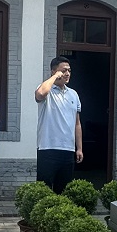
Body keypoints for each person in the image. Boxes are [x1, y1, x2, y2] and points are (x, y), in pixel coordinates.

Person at [34, 55, 82, 194]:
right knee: (44, 190)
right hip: (48, 147)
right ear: (54, 71)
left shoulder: (73, 94)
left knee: (64, 190)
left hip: (68, 149)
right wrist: (55, 77)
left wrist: (79, 148)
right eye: (63, 70)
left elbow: (77, 124)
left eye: (69, 70)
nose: (67, 74)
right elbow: (40, 94)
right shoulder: (47, 90)